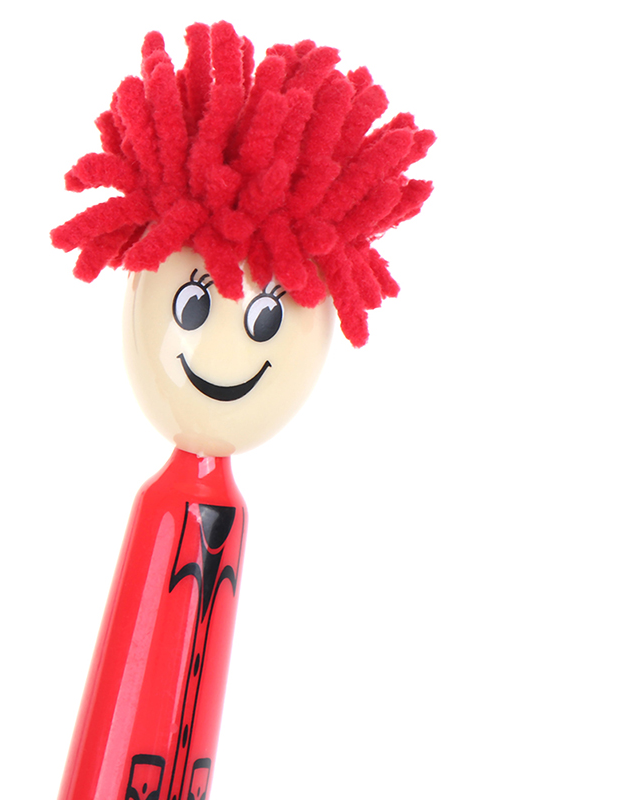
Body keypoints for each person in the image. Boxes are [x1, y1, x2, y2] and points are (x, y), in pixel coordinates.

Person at [51, 22, 433, 800]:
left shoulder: (208, 512)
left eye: (265, 315)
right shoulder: (170, 509)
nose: (225, 350)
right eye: (196, 302)